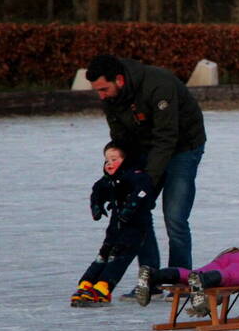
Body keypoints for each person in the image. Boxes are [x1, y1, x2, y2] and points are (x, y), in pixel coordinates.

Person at [86, 55, 206, 301]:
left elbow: (167, 136)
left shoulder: (158, 85)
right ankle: (150, 280)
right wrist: (119, 168)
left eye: (103, 89)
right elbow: (120, 136)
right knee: (137, 211)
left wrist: (147, 181)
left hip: (183, 147)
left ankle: (180, 280)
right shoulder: (112, 97)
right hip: (146, 148)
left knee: (175, 216)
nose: (101, 96)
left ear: (118, 80)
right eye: (97, 91)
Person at [71, 142, 155, 307]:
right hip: (115, 228)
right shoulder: (109, 180)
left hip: (135, 228)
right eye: (107, 160)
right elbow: (97, 190)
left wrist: (129, 209)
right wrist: (96, 206)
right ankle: (86, 284)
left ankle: (103, 287)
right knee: (103, 254)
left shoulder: (136, 176)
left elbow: (142, 191)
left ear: (125, 160)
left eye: (114, 159)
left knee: (118, 256)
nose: (109, 163)